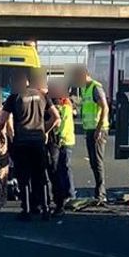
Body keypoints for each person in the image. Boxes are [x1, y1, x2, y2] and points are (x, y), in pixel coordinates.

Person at [2, 68, 57, 220]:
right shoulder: (42, 96)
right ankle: (45, 208)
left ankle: (26, 210)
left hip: (22, 142)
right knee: (41, 176)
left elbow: (3, 119)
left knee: (24, 177)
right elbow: (56, 117)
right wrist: (44, 131)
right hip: (38, 141)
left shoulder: (14, 97)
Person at [72, 63, 110, 205]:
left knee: (98, 161)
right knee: (93, 162)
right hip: (90, 129)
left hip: (98, 129)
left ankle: (101, 193)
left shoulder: (95, 87)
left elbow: (105, 107)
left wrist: (99, 128)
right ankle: (98, 192)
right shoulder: (85, 89)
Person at [47, 76, 76, 217]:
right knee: (62, 168)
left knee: (60, 168)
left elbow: (60, 122)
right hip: (64, 139)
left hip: (62, 140)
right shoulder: (66, 102)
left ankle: (67, 195)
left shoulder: (61, 103)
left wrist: (56, 135)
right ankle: (67, 194)